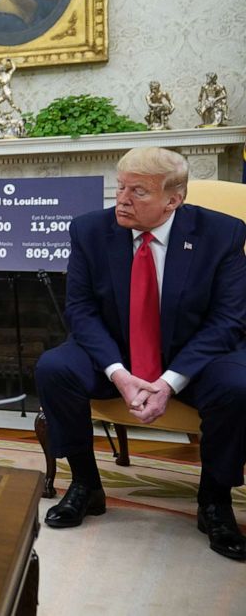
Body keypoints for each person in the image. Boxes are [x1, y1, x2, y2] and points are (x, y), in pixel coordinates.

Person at [35, 147, 246, 561]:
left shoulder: (223, 234)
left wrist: (169, 382)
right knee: (54, 368)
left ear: (174, 199)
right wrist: (118, 373)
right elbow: (80, 311)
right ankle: (85, 484)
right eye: (120, 187)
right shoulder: (89, 231)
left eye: (139, 192)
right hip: (115, 352)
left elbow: (228, 321)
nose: (123, 199)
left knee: (238, 385)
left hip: (194, 359)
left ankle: (214, 500)